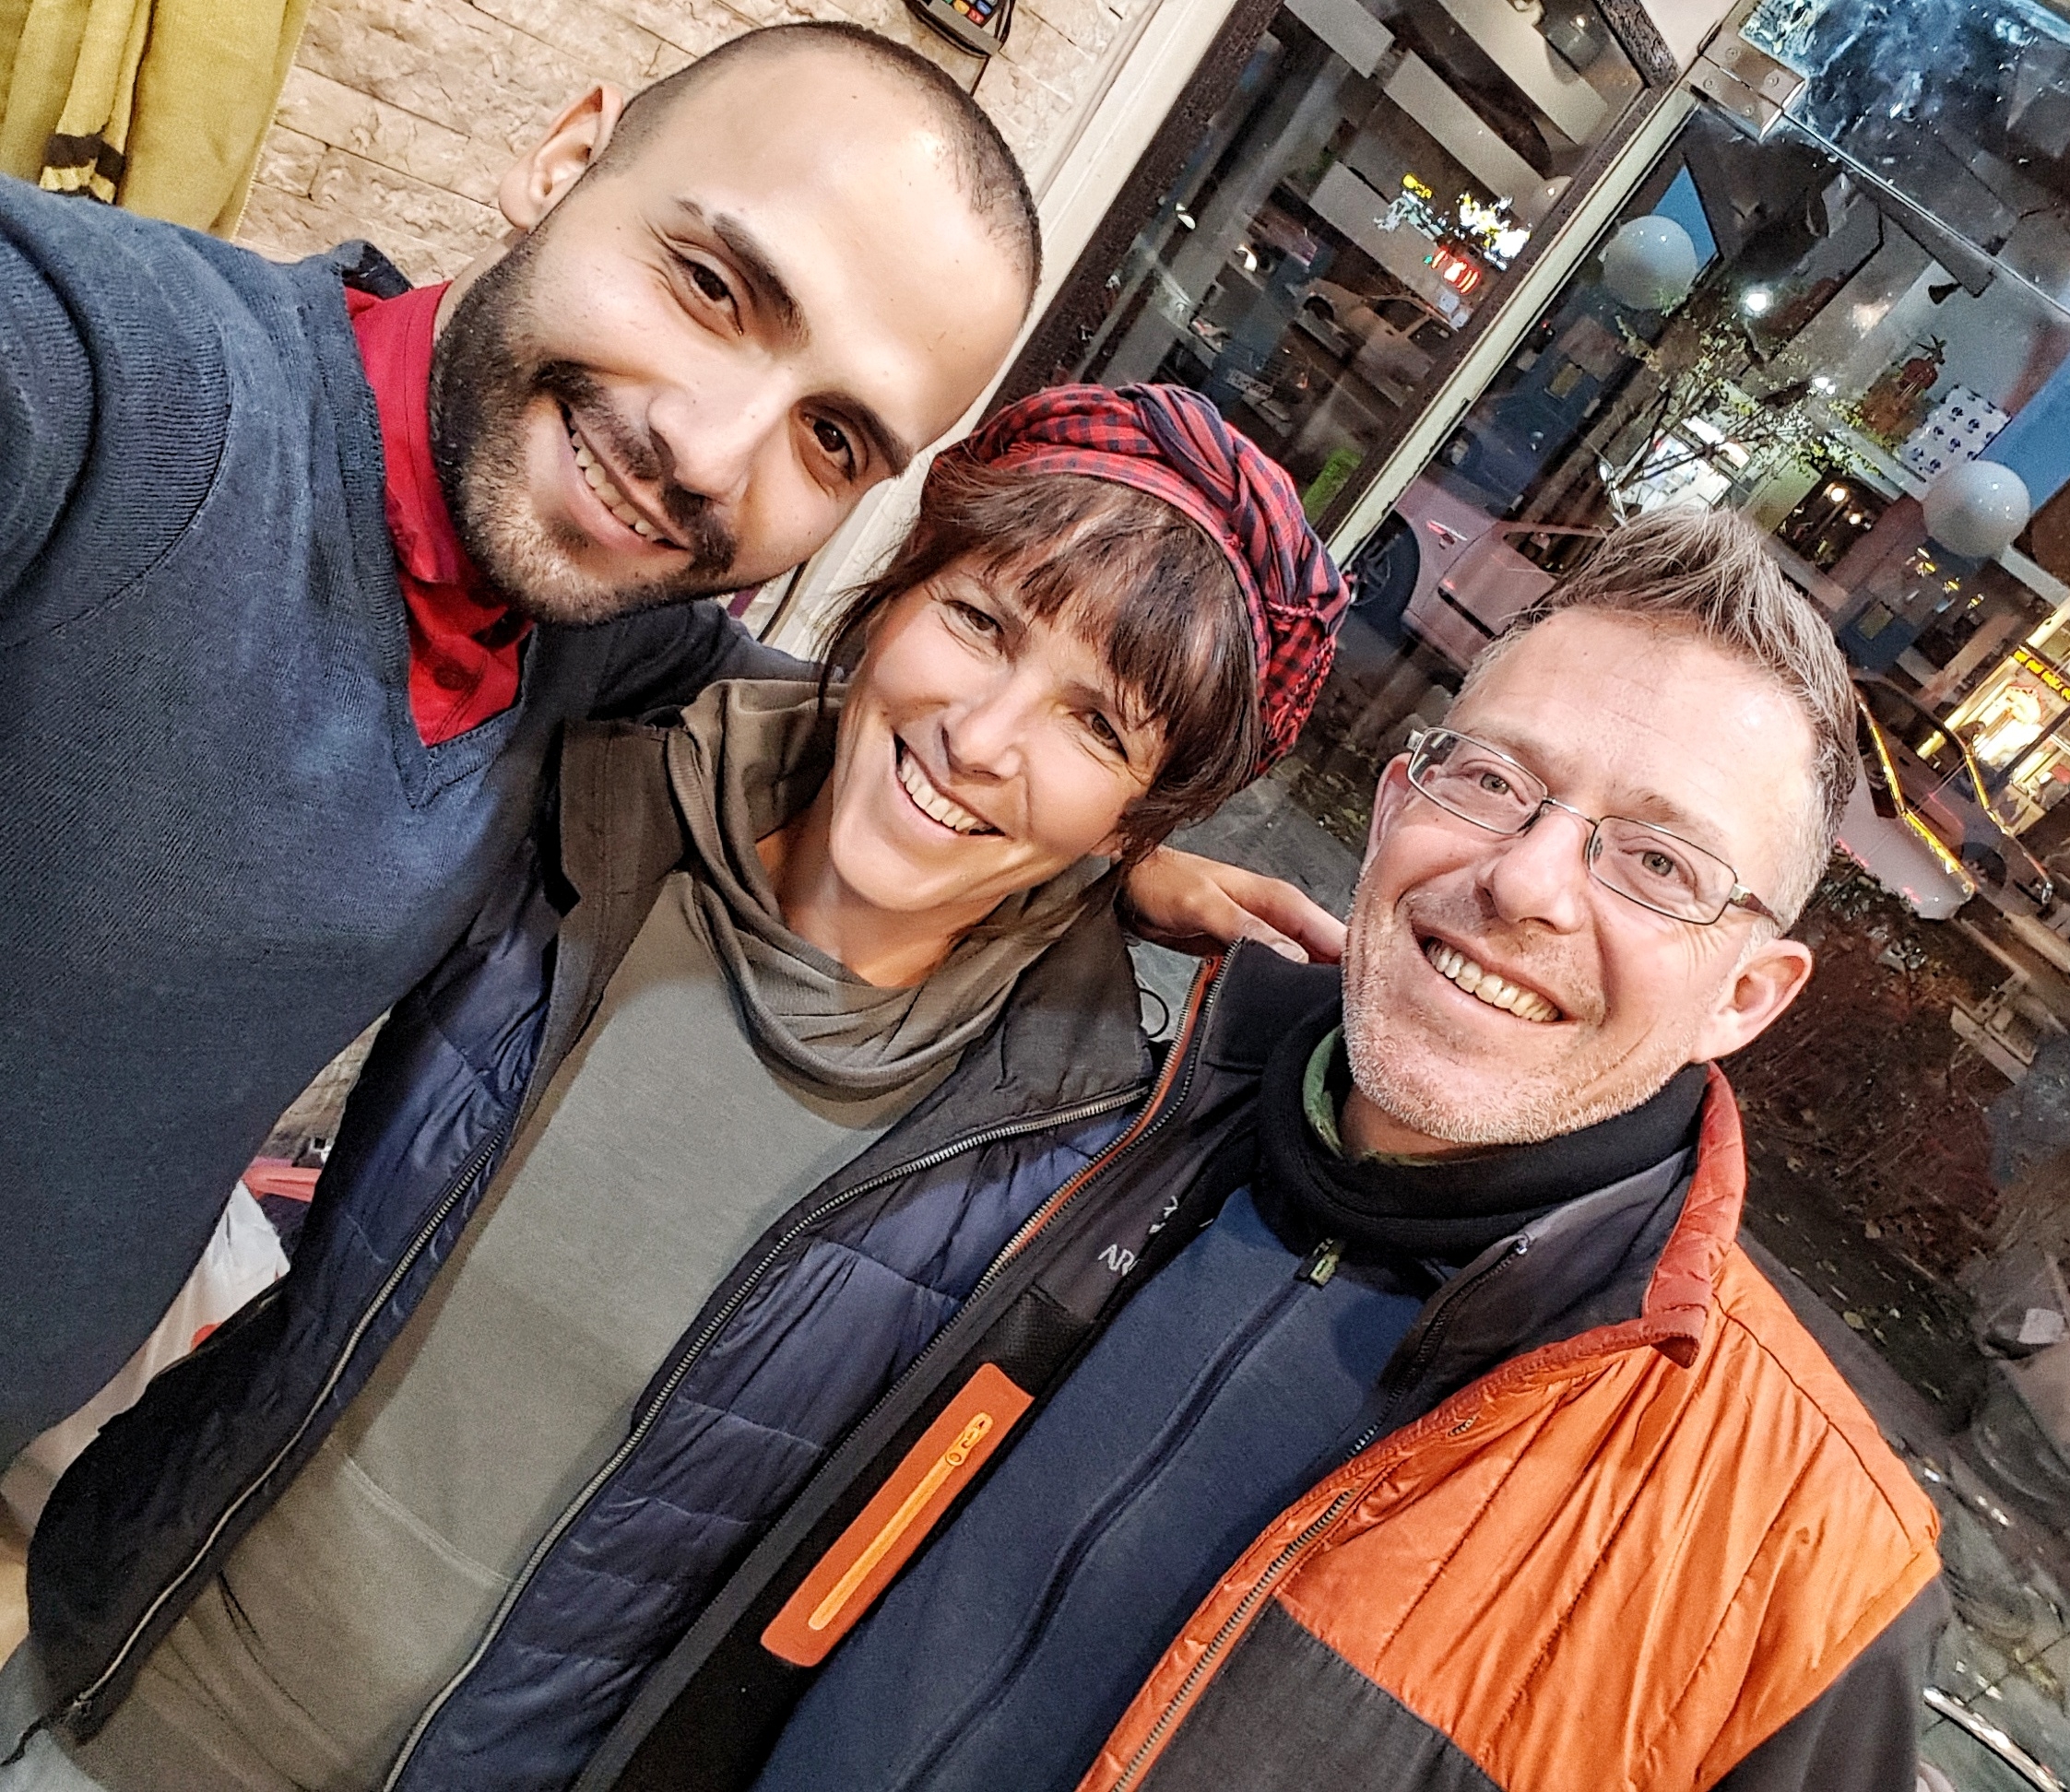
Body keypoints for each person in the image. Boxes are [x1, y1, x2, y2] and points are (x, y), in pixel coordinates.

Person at [0, 21, 1328, 1461]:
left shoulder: (601, 630)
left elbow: (863, 725)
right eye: (710, 287)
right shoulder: (110, 385)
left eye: (831, 438)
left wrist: (1108, 862)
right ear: (564, 157)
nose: (705, 452)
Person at [0, 384, 1349, 1792]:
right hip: (117, 1673)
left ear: (1140, 816)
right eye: (980, 622)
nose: (983, 735)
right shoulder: (600, 792)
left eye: (1098, 727)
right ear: (895, 590)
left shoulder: (1069, 1141)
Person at [574, 507, 1947, 1792]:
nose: (1527, 882)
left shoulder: (1807, 1564)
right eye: (1492, 782)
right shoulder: (1100, 1096)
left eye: (1657, 865)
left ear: (1747, 996)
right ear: (1398, 803)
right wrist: (1090, 862)